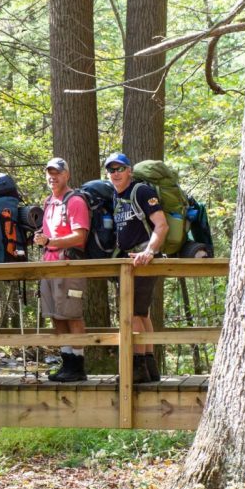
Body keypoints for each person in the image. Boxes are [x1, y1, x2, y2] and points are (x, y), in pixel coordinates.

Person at [105, 152, 169, 383]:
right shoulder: (115, 195)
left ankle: (137, 367)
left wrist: (149, 251)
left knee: (132, 312)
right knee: (141, 313)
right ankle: (149, 366)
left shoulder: (141, 191)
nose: (115, 173)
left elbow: (161, 225)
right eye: (111, 170)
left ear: (129, 170)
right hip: (130, 260)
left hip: (144, 258)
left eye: (119, 169)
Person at [32, 157, 90, 382]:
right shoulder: (49, 202)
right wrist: (43, 240)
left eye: (57, 173)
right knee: (56, 315)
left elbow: (79, 236)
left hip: (69, 265)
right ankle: (67, 362)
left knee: (72, 314)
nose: (52, 177)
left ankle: (78, 365)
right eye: (49, 172)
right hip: (50, 266)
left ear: (67, 175)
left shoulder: (75, 201)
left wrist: (50, 242)